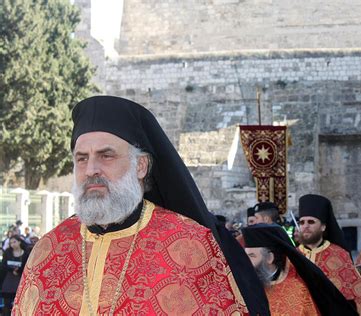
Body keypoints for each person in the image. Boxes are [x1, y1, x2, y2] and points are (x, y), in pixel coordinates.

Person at [14, 96, 269, 315]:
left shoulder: (190, 245)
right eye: (82, 158)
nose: (91, 169)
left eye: (106, 155)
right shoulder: (48, 249)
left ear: (141, 166)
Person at [242, 223, 357, 316]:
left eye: (251, 256)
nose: (245, 263)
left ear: (270, 258)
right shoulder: (243, 286)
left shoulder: (298, 291)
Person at [297, 194, 361, 315]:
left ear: (323, 227)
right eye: (302, 222)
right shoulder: (292, 256)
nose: (305, 226)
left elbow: (358, 295)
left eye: (311, 222)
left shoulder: (338, 254)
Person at [1, 235, 29, 315]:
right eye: (11, 243)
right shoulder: (7, 252)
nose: (12, 244)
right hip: (9, 281)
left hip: (20, 280)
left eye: (14, 242)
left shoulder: (25, 253)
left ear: (19, 242)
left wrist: (19, 270)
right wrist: (12, 270)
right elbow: (3, 265)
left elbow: (26, 266)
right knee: (7, 304)